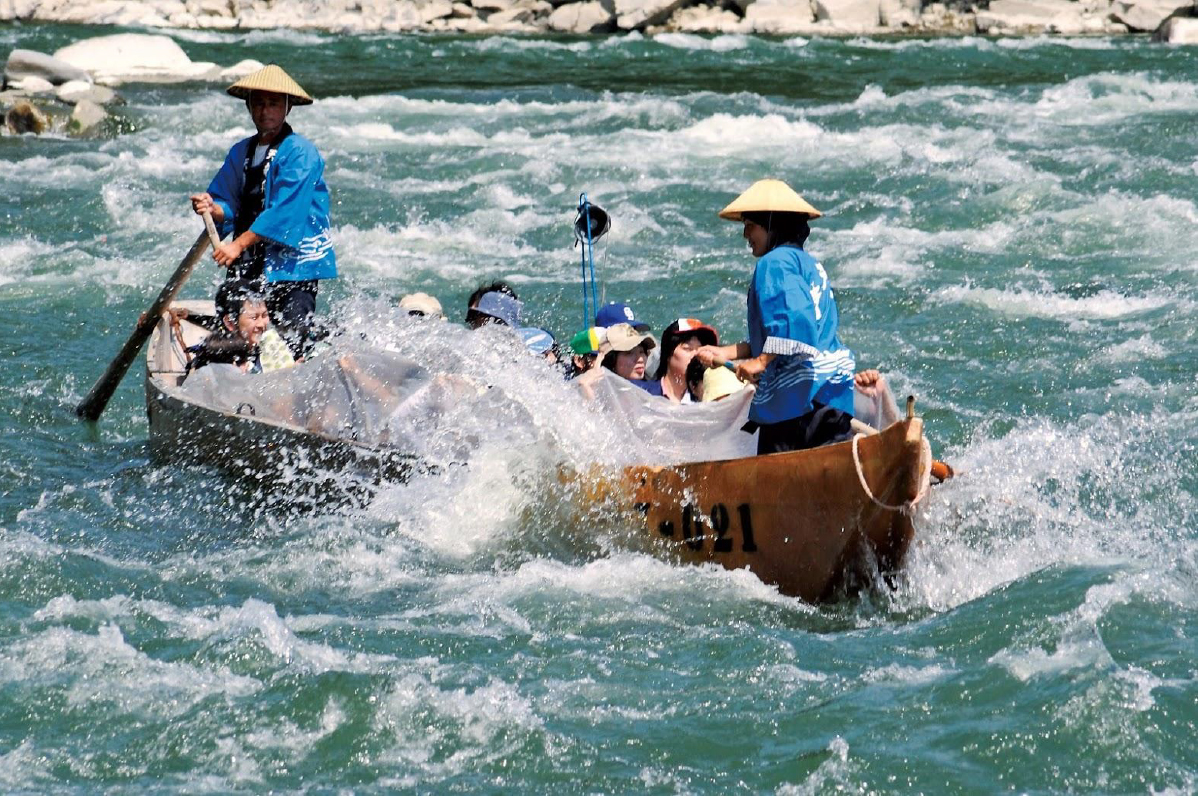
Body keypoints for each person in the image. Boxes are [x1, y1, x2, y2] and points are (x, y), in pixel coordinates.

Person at [695, 178, 855, 455]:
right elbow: (782, 335)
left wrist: (760, 361)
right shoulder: (808, 263)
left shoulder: (774, 262)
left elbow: (796, 324)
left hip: (798, 403)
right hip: (832, 393)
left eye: (751, 225)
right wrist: (726, 352)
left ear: (773, 225)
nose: (745, 234)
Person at [189, 64, 336, 359]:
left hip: (293, 268)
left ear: (287, 108)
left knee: (290, 340)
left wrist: (238, 244)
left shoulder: (300, 152)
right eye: (258, 102)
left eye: (272, 103)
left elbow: (285, 212)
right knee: (239, 335)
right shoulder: (240, 152)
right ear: (249, 106)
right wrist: (213, 208)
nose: (264, 110)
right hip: (250, 263)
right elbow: (228, 200)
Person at [186, 278, 293, 375]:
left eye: (264, 315)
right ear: (230, 322)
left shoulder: (271, 346)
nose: (261, 324)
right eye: (254, 318)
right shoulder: (219, 354)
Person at [651, 318, 720, 404]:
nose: (696, 355)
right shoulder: (644, 394)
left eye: (701, 350)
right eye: (688, 349)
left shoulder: (711, 399)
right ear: (668, 354)